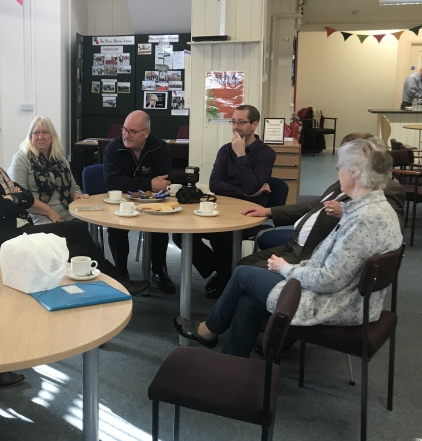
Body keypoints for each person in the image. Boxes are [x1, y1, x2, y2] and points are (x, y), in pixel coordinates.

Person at [174, 138, 403, 357]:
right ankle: (232, 363)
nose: (337, 171)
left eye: (339, 166)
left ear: (353, 172)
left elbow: (328, 280)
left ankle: (209, 331)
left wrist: (285, 269)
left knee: (244, 274)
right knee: (248, 300)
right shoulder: (374, 209)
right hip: (341, 295)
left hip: (335, 304)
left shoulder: (363, 220)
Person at [0, 123, 150, 297]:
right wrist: (14, 198)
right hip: (6, 238)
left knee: (78, 239)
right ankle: (116, 282)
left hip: (18, 229)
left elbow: (25, 197)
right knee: (77, 237)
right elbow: (2, 206)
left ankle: (113, 283)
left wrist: (13, 198)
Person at [238, 133, 406, 270]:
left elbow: (388, 233)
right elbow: (317, 204)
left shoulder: (385, 191)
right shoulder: (349, 182)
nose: (338, 168)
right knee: (242, 267)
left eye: (343, 162)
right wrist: (270, 211)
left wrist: (346, 212)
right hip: (298, 245)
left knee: (244, 273)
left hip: (313, 256)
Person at [173, 104, 276, 296]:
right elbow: (215, 184)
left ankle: (225, 279)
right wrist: (245, 193)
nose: (236, 127)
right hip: (223, 207)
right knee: (180, 234)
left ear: (254, 125)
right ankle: (222, 271)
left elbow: (252, 186)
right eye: (233, 122)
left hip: (250, 212)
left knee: (223, 235)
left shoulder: (266, 153)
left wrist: (241, 155)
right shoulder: (224, 150)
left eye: (241, 122)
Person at [102, 110, 175, 294]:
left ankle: (158, 271)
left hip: (152, 202)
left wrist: (138, 184)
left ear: (146, 132)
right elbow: (113, 183)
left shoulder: (160, 148)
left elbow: (162, 184)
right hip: (121, 202)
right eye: (124, 130)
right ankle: (121, 272)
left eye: (132, 131)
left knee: (160, 226)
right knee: (116, 227)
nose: (126, 135)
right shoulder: (113, 149)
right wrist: (149, 182)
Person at [8, 116, 88, 225]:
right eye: (36, 133)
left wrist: (77, 195)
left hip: (66, 212)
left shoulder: (60, 160)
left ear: (52, 136)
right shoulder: (21, 159)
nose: (41, 137)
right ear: (30, 136)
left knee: (84, 228)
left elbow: (74, 188)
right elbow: (21, 197)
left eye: (45, 132)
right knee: (74, 232)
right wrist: (49, 211)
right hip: (38, 216)